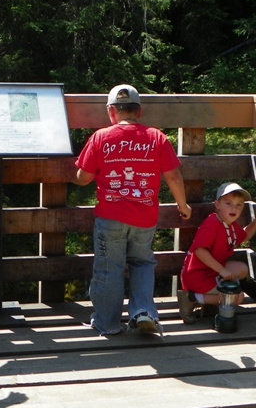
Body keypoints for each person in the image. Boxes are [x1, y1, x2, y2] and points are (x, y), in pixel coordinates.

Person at [73, 84, 192, 335]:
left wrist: (74, 171)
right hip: (145, 217)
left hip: (110, 217)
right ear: (139, 111)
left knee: (109, 268)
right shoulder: (156, 137)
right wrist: (183, 205)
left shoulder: (101, 137)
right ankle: (142, 312)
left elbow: (83, 177)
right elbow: (173, 176)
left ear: (111, 111)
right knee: (142, 263)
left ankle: (108, 323)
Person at [178, 182, 256, 323]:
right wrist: (222, 271)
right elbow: (199, 250)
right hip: (197, 276)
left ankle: (212, 300)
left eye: (239, 204)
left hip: (211, 271)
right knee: (237, 298)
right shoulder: (212, 223)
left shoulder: (230, 225)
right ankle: (192, 298)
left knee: (242, 269)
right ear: (217, 205)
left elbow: (243, 235)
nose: (234, 208)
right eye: (228, 203)